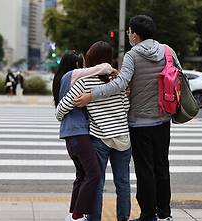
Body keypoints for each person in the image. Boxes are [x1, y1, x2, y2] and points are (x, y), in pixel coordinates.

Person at [73, 15, 181, 221]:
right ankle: (164, 213)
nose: (129, 35)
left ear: (135, 34)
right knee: (161, 166)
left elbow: (120, 84)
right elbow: (178, 76)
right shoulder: (168, 50)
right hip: (163, 118)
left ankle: (148, 214)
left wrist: (91, 95)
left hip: (140, 122)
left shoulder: (133, 55)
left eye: (130, 32)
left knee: (145, 170)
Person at [56, 41, 132, 221]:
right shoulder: (118, 81)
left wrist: (64, 118)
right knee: (123, 183)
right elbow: (126, 106)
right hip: (122, 137)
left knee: (98, 183)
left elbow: (61, 108)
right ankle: (123, 218)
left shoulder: (84, 82)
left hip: (101, 138)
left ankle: (94, 218)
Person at [52, 50, 99, 221]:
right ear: (78, 65)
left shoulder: (61, 79)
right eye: (83, 64)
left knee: (82, 174)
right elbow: (97, 70)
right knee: (94, 174)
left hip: (70, 134)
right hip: (78, 133)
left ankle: (74, 213)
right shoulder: (71, 77)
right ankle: (78, 214)